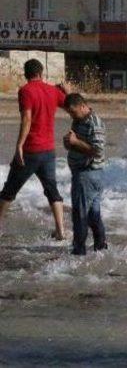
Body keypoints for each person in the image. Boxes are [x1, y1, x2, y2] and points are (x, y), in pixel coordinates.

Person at [0, 59, 70, 238]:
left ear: (26, 74)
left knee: (9, 190)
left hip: (31, 150)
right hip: (49, 151)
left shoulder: (25, 91)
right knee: (52, 190)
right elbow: (71, 105)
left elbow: (27, 119)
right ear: (41, 73)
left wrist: (19, 146)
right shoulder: (53, 91)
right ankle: (61, 231)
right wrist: (66, 92)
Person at [62, 93, 107, 255]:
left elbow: (98, 151)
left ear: (83, 106)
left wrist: (75, 142)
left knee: (79, 214)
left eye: (73, 112)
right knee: (93, 215)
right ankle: (100, 247)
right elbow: (79, 144)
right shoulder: (79, 119)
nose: (71, 115)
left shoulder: (94, 123)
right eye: (69, 113)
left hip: (88, 174)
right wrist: (69, 143)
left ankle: (79, 251)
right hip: (87, 174)